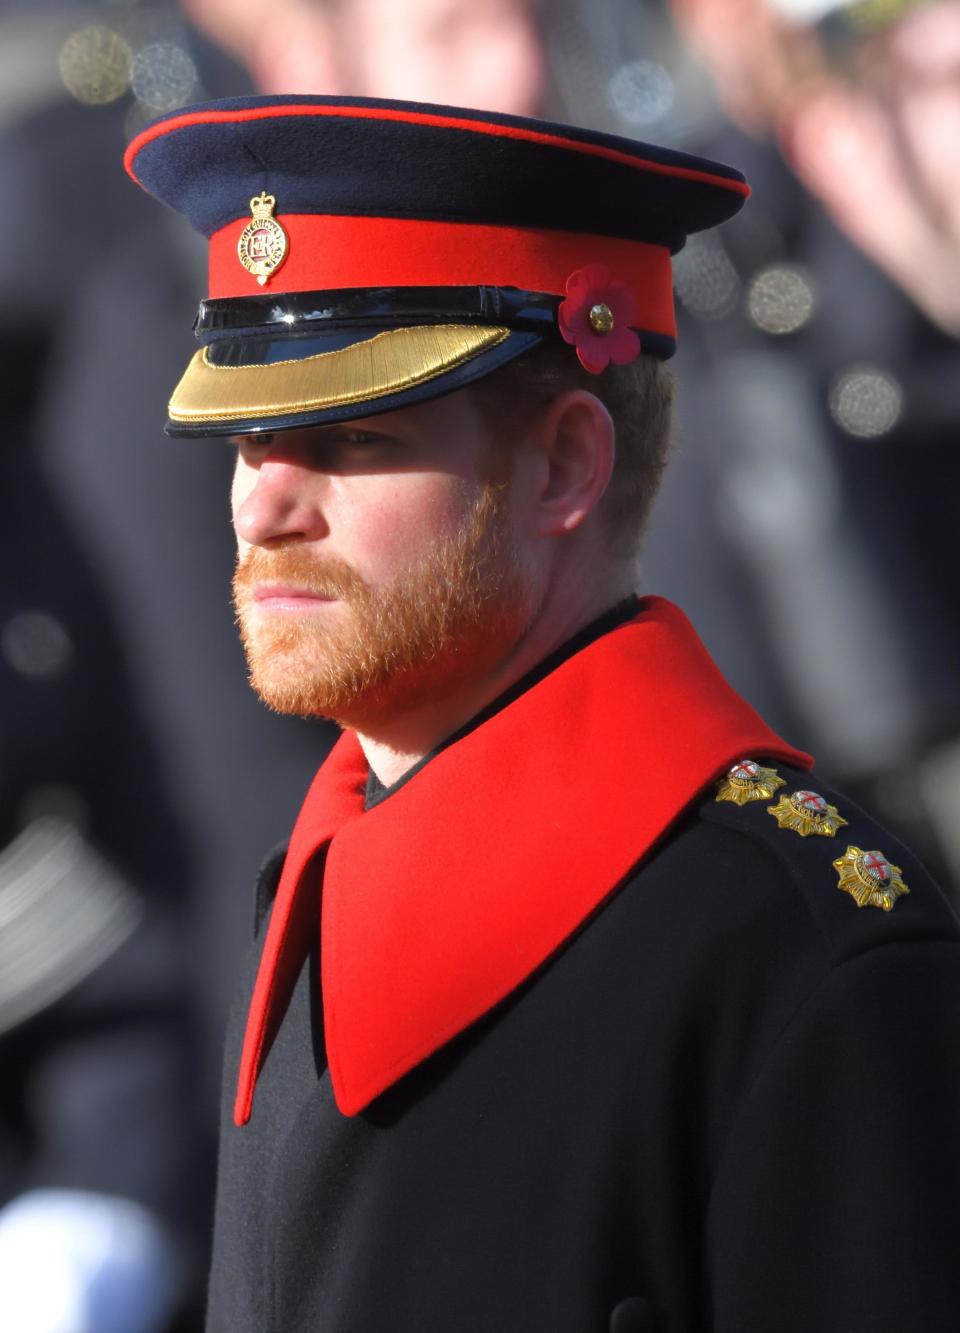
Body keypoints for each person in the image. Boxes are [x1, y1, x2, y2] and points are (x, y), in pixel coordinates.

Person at [125, 95, 960, 1332]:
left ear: (566, 467)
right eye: (249, 441)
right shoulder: (325, 871)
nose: (264, 508)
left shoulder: (796, 954)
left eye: (349, 439)